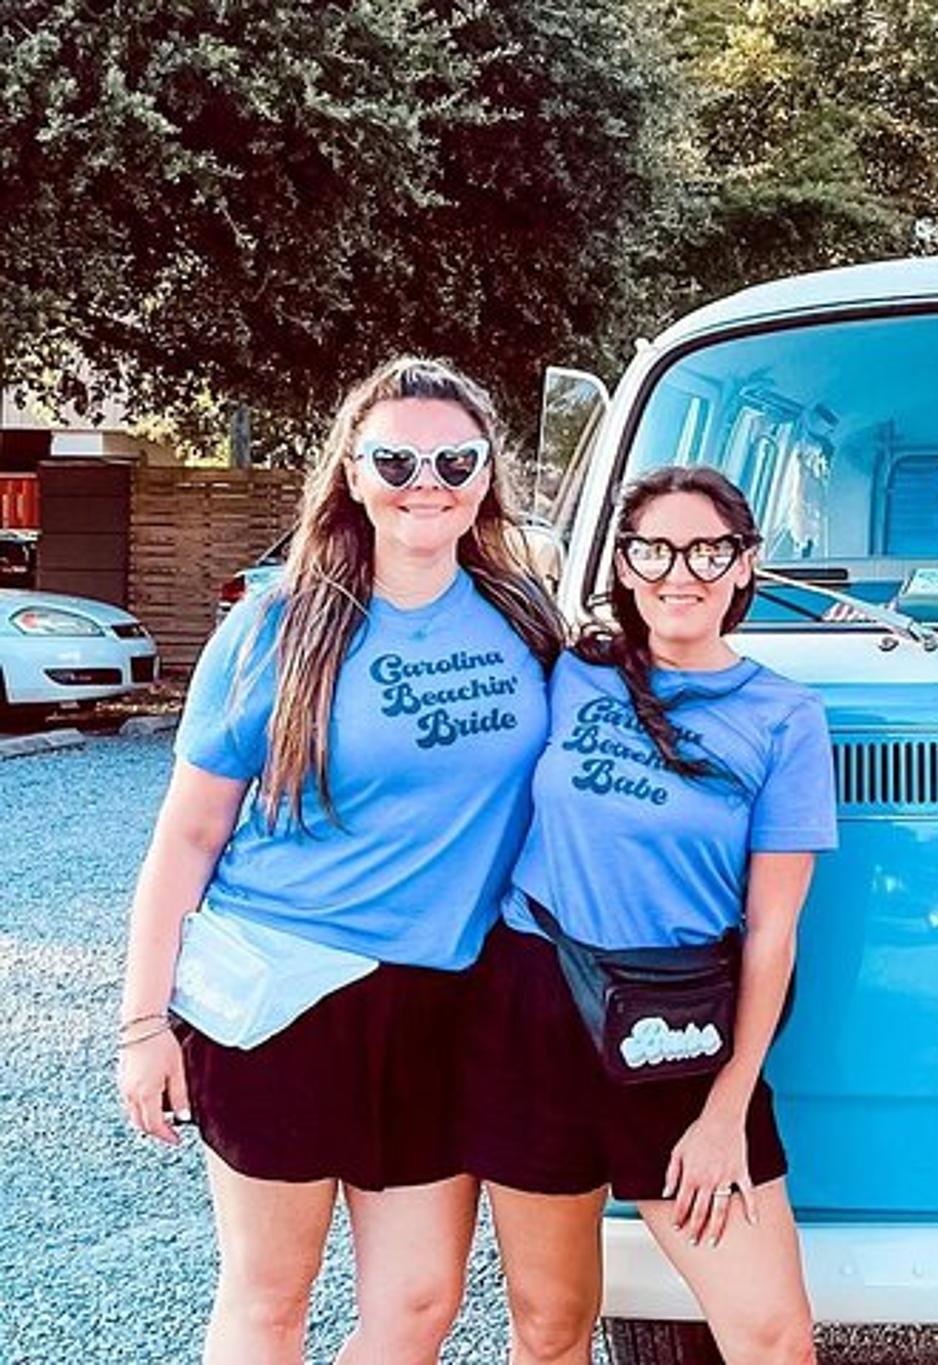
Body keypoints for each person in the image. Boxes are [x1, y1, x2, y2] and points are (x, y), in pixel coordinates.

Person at [114, 356, 560, 1363]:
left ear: (486, 473)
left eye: (454, 457)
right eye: (394, 457)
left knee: (417, 1308)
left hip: (446, 1005)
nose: (425, 480)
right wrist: (143, 1024)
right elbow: (186, 838)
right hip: (282, 999)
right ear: (353, 474)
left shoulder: (526, 623)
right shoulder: (274, 625)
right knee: (271, 1300)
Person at [461, 465, 835, 1365]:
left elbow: (774, 931)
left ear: (746, 566)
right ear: (624, 566)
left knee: (771, 1333)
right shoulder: (570, 673)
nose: (682, 571)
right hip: (533, 1006)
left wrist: (724, 1110)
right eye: (655, 549)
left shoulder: (784, 718)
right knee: (549, 1326)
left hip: (678, 1033)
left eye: (709, 549)